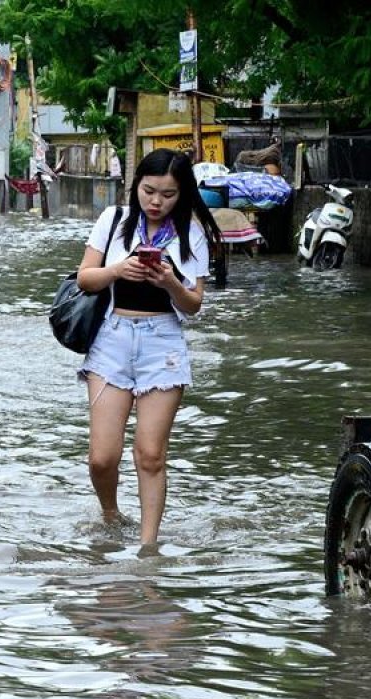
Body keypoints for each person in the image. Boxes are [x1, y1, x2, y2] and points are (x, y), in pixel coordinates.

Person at [74, 148, 218, 547]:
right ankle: (110, 514)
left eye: (168, 194)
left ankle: (148, 546)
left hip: (164, 343)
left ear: (182, 194)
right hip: (112, 339)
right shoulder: (114, 221)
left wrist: (170, 281)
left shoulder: (191, 233)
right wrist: (119, 270)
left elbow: (193, 306)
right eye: (149, 190)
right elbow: (85, 278)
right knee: (102, 457)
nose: (156, 202)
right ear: (136, 184)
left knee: (150, 454)